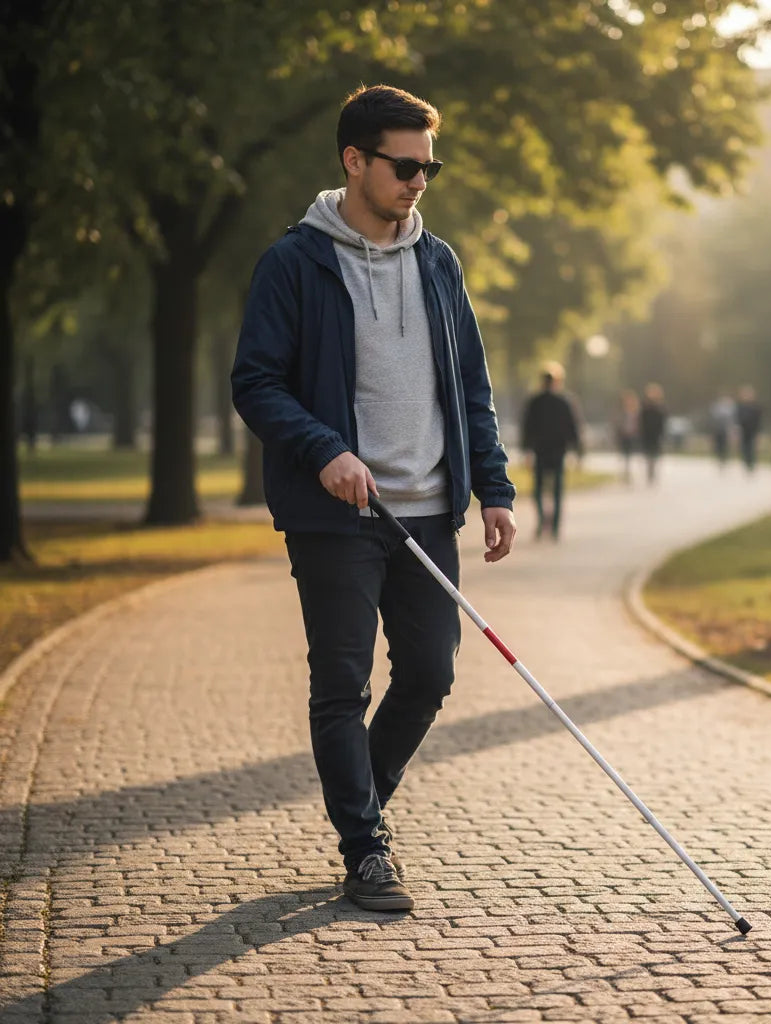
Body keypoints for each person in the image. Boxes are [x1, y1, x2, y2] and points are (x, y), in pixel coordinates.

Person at [231, 85, 516, 914]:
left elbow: (471, 385)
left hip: (430, 509)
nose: (418, 182)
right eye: (404, 165)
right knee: (342, 686)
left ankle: (363, 810)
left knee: (430, 672)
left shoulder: (438, 261)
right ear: (354, 160)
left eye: (429, 167)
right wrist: (325, 451)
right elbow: (256, 382)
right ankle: (366, 849)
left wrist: (492, 488)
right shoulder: (295, 262)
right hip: (339, 518)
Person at [520, 362, 583, 540]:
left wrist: (526, 449)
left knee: (539, 489)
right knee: (556, 489)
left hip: (541, 450)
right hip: (558, 451)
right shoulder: (565, 401)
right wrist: (577, 450)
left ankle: (542, 520)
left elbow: (527, 427)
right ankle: (554, 525)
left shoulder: (535, 402)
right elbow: (573, 428)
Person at [639, 382, 667, 484]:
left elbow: (663, 421)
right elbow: (640, 420)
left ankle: (653, 471)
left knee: (655, 454)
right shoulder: (645, 406)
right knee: (647, 454)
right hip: (646, 434)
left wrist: (662, 433)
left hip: (656, 434)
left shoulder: (660, 407)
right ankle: (649, 471)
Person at [613, 389, 641, 482]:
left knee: (630, 454)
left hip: (633, 436)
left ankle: (630, 472)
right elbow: (617, 424)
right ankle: (625, 472)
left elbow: (639, 424)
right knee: (624, 455)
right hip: (623, 436)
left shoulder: (637, 412)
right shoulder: (621, 412)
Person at [735, 385, 763, 472]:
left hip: (753, 431)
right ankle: (747, 463)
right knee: (744, 448)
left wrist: (759, 432)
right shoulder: (740, 407)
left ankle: (751, 464)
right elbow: (737, 420)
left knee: (752, 448)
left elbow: (759, 421)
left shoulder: (756, 407)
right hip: (743, 431)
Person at [709, 394, 735, 468]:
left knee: (724, 445)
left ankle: (724, 457)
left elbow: (732, 421)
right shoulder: (716, 408)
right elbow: (713, 419)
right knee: (718, 445)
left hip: (725, 430)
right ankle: (719, 457)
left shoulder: (730, 410)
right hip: (717, 429)